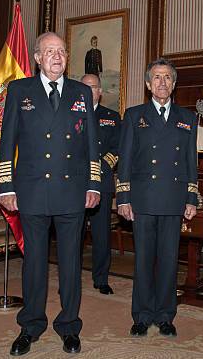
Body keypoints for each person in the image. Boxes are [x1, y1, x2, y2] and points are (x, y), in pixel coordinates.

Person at [0, 32, 101, 355]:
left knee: (70, 263)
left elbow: (91, 145)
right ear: (37, 58)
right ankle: (31, 325)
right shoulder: (19, 90)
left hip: (72, 190)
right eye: (49, 51)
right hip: (31, 189)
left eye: (61, 52)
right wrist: (6, 186)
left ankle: (69, 325)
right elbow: (7, 143)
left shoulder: (81, 92)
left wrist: (94, 184)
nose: (57, 57)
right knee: (34, 264)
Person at [117, 58, 198, 338]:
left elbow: (190, 162)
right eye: (157, 78)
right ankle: (141, 315)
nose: (162, 83)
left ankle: (165, 315)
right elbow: (125, 159)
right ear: (148, 84)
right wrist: (123, 197)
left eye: (167, 78)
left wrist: (191, 198)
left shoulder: (188, 119)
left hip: (173, 199)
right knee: (143, 259)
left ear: (174, 85)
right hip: (143, 199)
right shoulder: (133, 115)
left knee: (168, 260)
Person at [81, 73, 121, 295]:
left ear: (100, 92)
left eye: (92, 87)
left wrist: (98, 167)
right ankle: (71, 278)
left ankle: (101, 278)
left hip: (102, 182)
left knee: (101, 234)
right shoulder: (71, 114)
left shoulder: (112, 117)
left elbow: (117, 149)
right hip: (74, 183)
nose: (88, 91)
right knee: (73, 235)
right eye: (84, 87)